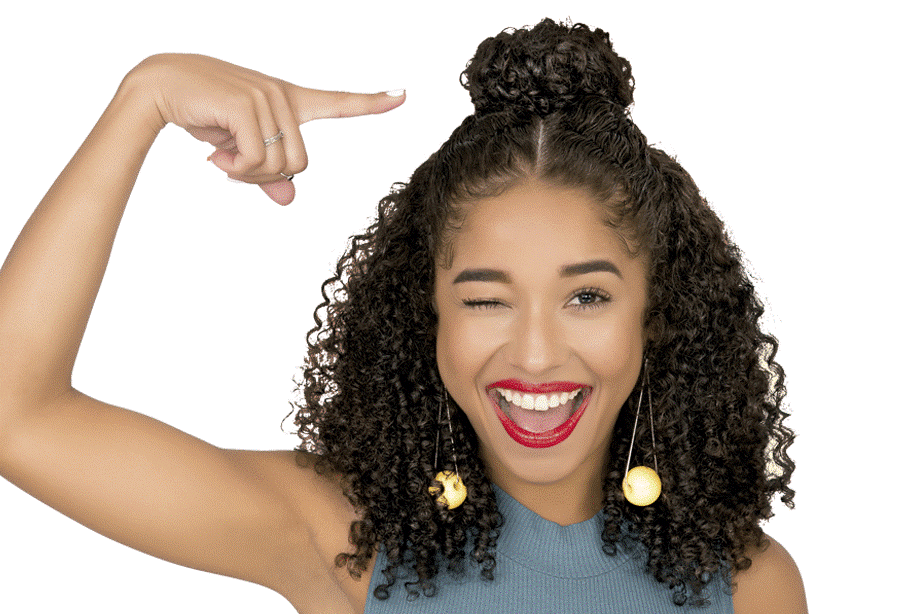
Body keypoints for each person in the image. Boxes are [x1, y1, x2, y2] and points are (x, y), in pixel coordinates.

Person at [0, 18, 807, 613]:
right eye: (485, 299)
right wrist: (145, 97)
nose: (533, 355)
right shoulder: (345, 536)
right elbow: (17, 415)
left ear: (656, 317)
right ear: (427, 318)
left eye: (587, 297)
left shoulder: (748, 584)